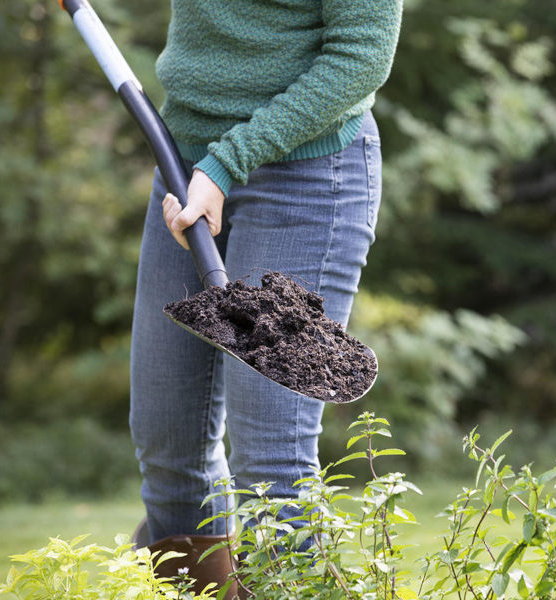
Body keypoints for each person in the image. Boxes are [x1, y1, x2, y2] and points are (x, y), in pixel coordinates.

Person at [128, 0, 403, 594]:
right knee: (168, 444)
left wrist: (226, 164)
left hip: (306, 178)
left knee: (271, 461)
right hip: (183, 173)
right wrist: (207, 169)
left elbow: (361, 57)